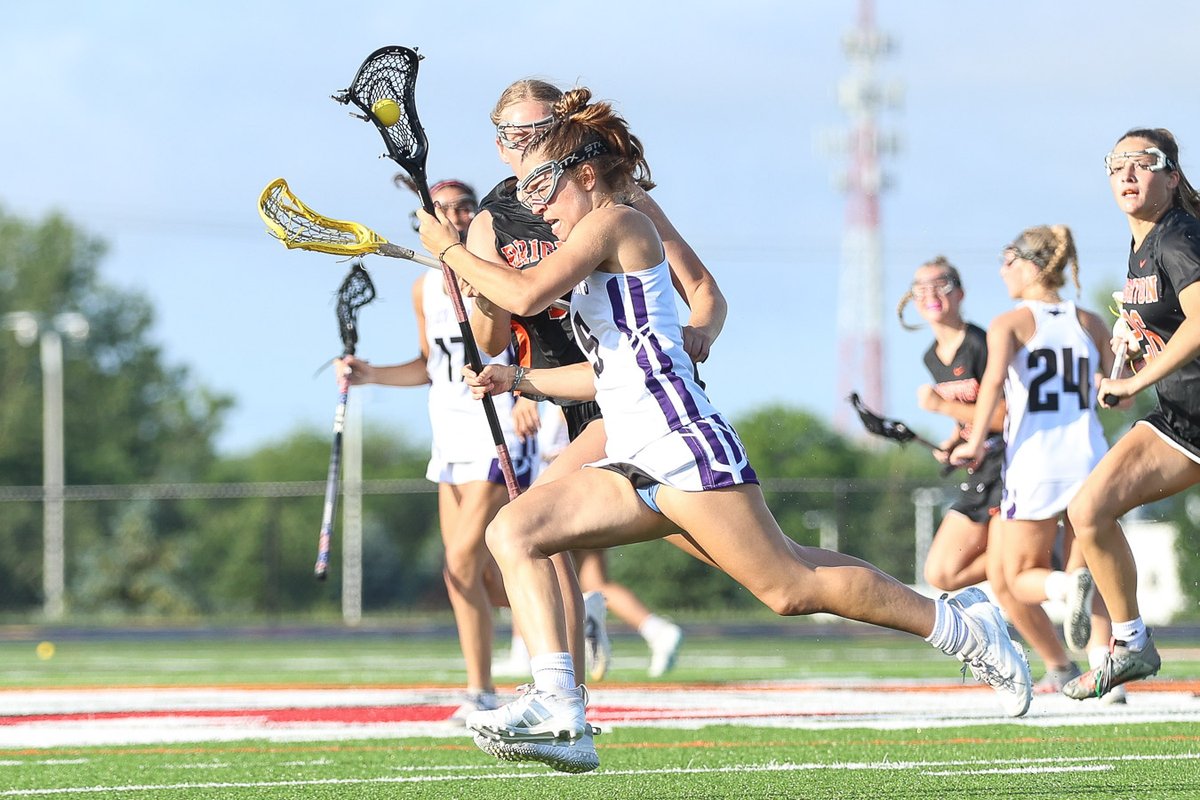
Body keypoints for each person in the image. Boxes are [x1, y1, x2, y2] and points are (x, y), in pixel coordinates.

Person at [418, 87, 1032, 774]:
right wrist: (523, 380)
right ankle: (559, 704)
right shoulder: (588, 235)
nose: (539, 208)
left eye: (546, 189)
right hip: (631, 451)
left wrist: (449, 249)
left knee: (791, 587)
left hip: (680, 442)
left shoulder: (617, 221)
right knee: (517, 529)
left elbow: (526, 295)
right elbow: (609, 373)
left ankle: (961, 627)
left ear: (586, 175)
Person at [464, 78, 712, 683]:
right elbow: (491, 337)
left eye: (543, 129)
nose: (530, 143)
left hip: (630, 395)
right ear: (499, 145)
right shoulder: (491, 222)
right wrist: (486, 297)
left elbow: (703, 290)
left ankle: (563, 698)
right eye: (516, 134)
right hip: (566, 391)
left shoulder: (610, 197)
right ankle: (566, 696)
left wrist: (698, 332)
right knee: (770, 571)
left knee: (531, 526)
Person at [339, 177, 534, 721]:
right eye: (442, 209)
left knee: (460, 560)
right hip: (448, 437)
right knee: (471, 575)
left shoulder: (497, 272)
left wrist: (526, 392)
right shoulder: (423, 288)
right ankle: (482, 690)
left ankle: (552, 652)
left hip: (496, 429)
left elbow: (533, 342)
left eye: (464, 207)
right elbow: (430, 366)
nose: (454, 217)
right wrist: (370, 374)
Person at [950, 225, 1118, 700]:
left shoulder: (1010, 323)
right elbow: (1119, 397)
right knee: (1096, 570)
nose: (1002, 272)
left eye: (1008, 262)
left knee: (1017, 577)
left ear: (1031, 266)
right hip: (1090, 458)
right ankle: (1109, 678)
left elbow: (992, 387)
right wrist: (1127, 353)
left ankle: (1062, 589)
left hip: (1036, 462)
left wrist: (974, 442)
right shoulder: (1090, 322)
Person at [1062, 128, 1200, 701]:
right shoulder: (1142, 244)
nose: (1127, 172)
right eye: (1116, 163)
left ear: (1171, 175)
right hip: (1184, 420)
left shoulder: (1178, 236)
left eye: (1143, 162)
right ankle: (1131, 643)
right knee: (1088, 510)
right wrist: (1140, 347)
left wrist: (1133, 381)